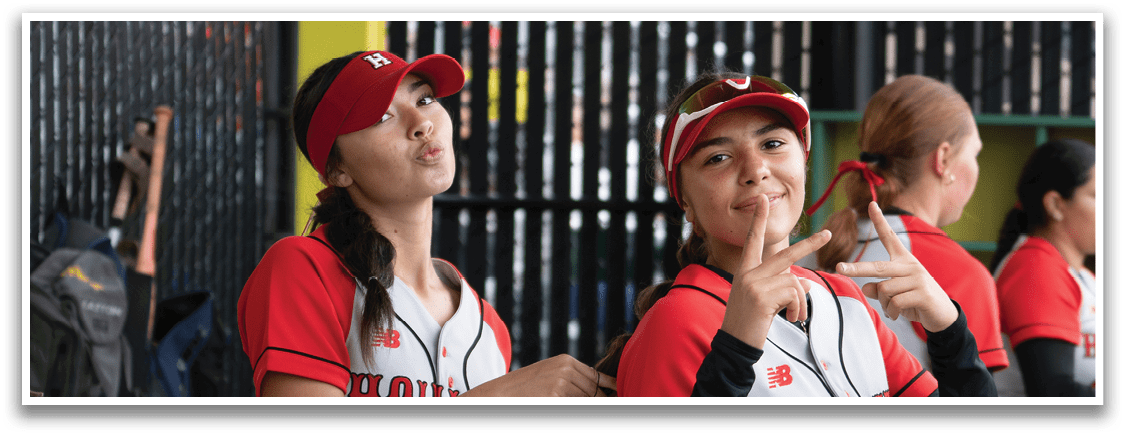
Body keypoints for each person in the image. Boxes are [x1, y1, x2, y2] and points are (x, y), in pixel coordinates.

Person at [238, 50, 615, 397]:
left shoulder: (486, 324)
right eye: (382, 116)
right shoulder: (304, 268)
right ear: (337, 170)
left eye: (424, 99)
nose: (421, 123)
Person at [597, 72, 996, 397]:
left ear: (802, 167)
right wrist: (734, 351)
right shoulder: (676, 319)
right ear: (685, 201)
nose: (755, 170)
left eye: (772, 143)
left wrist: (949, 333)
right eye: (718, 157)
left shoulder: (845, 297)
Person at [805, 75, 1009, 374]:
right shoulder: (963, 273)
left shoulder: (813, 251)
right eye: (974, 153)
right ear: (943, 159)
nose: (975, 166)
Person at [989, 138, 1096, 397]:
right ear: (1056, 205)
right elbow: (1052, 391)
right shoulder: (1035, 268)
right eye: (1097, 196)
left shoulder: (1081, 274)